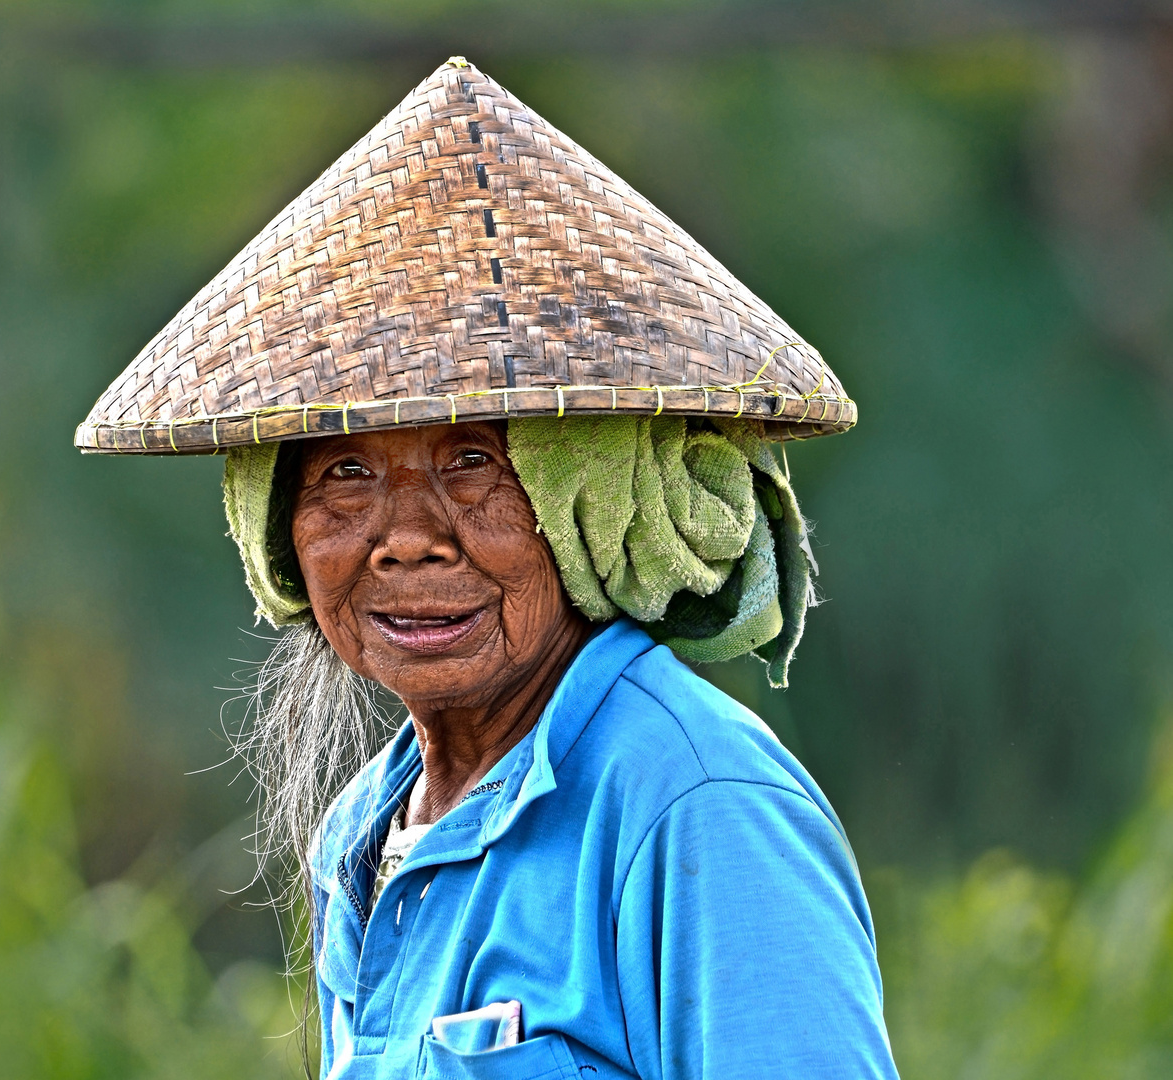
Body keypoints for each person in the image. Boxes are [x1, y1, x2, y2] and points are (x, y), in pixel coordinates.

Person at [78, 58, 897, 1080]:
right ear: (278, 527)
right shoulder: (367, 837)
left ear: (587, 509)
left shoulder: (694, 800)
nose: (407, 537)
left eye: (474, 464)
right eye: (344, 473)